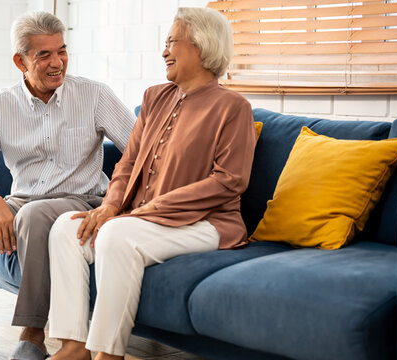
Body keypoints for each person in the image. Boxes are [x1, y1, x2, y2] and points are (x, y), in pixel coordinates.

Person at [0, 11, 135, 360]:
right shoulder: (0, 105)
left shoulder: (94, 95)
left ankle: (33, 335)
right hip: (22, 204)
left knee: (34, 215)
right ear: (20, 62)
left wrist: (119, 202)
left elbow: (142, 150)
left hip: (80, 201)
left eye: (61, 51)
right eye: (44, 55)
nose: (57, 63)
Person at [46, 7, 256, 360]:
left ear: (202, 46)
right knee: (66, 228)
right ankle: (74, 346)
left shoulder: (233, 107)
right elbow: (127, 163)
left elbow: (229, 181)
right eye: (165, 43)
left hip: (207, 224)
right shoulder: (155, 97)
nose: (164, 52)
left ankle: (107, 354)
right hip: (143, 219)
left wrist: (147, 211)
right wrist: (111, 206)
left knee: (116, 235)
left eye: (172, 42)